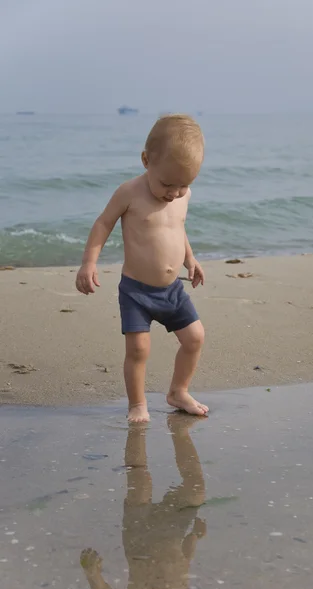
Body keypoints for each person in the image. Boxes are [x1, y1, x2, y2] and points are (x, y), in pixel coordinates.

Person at [76, 115, 209, 422]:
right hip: (137, 291)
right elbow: (103, 223)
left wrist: (190, 259)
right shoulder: (130, 192)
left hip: (172, 289)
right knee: (138, 349)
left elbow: (179, 229)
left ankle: (178, 391)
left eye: (183, 184)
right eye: (167, 183)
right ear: (146, 160)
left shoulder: (182, 195)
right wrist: (88, 263)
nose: (174, 192)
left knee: (195, 338)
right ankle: (137, 404)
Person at [80, 414, 207, 589]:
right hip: (173, 531)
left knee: (139, 479)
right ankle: (180, 432)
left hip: (140, 539)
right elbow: (184, 566)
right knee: (196, 490)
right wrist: (194, 537)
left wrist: (94, 576)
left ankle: (136, 432)